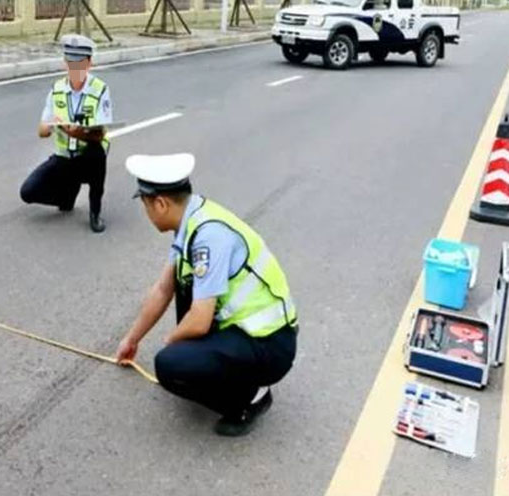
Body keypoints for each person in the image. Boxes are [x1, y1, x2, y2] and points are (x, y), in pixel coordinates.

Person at [116, 153, 299, 436]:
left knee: (168, 365)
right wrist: (131, 340)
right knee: (183, 284)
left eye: (145, 205)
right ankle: (210, 365)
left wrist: (171, 346)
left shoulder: (208, 237)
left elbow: (199, 320)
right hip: (244, 331)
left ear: (161, 203)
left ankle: (250, 399)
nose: (146, 212)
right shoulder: (193, 218)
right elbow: (163, 289)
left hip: (271, 344)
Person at [19, 34, 112, 233]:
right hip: (64, 158)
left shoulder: (100, 90)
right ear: (65, 64)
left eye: (80, 64)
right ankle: (66, 197)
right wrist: (52, 125)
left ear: (89, 64)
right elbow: (41, 131)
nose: (75, 69)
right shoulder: (57, 90)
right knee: (27, 192)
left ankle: (95, 213)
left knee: (97, 154)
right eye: (71, 64)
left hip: (88, 156)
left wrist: (79, 134)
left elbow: (100, 134)